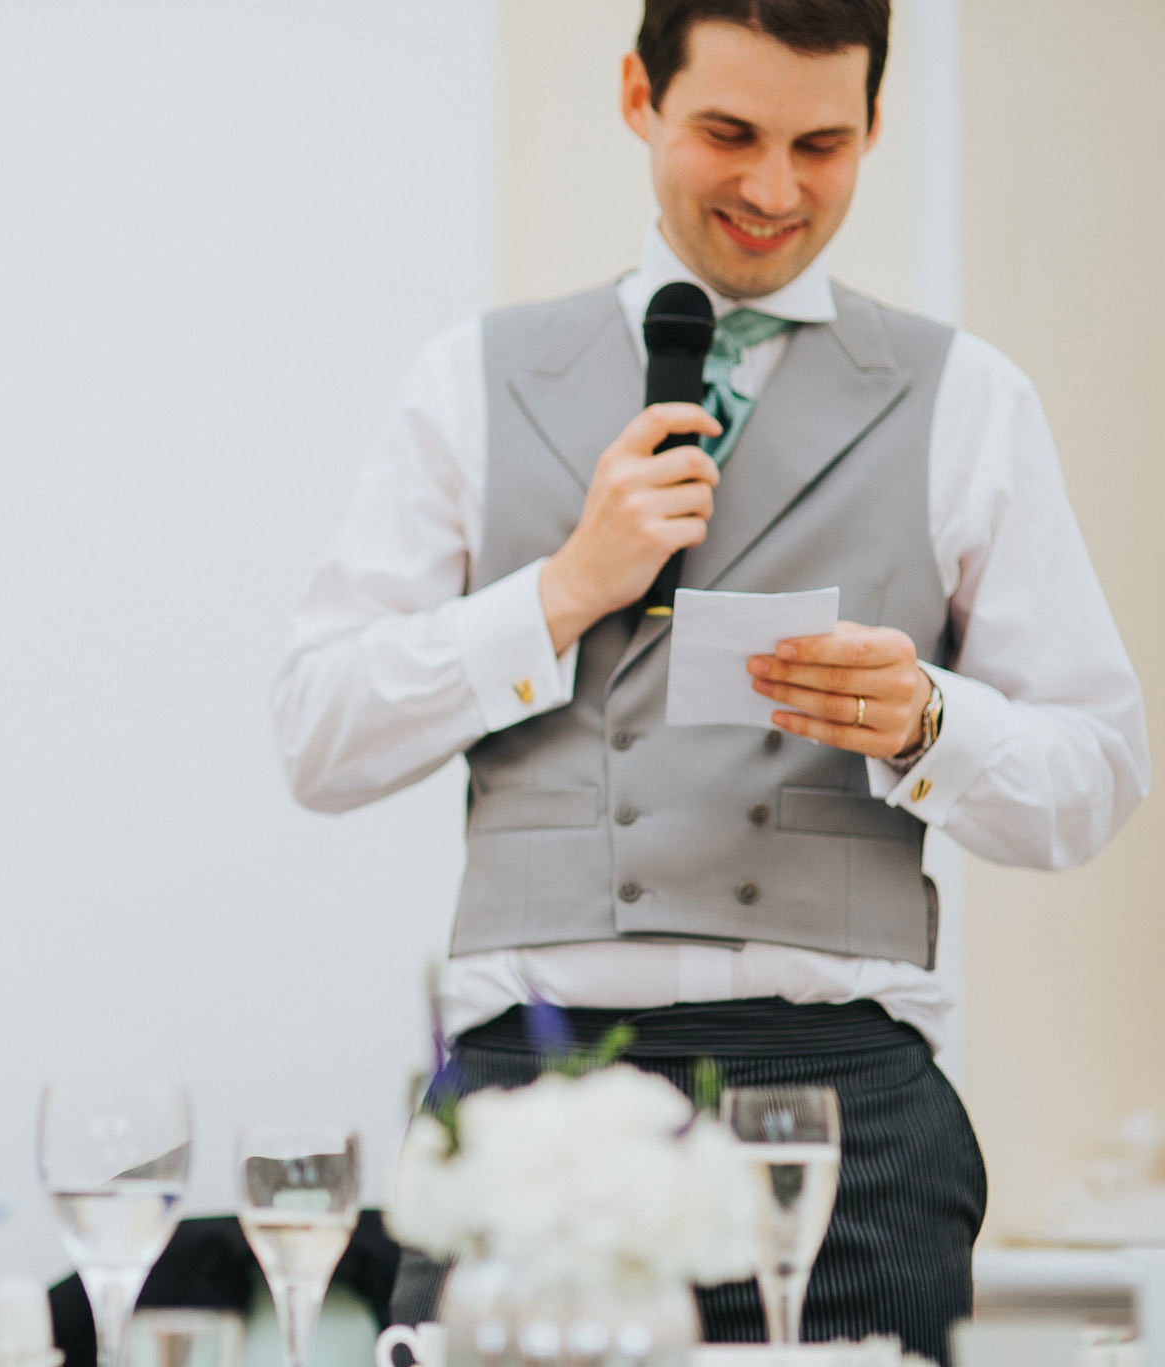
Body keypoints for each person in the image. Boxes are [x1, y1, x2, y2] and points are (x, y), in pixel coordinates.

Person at [272, 0, 1148, 1359]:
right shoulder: (468, 382)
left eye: (824, 143)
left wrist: (931, 720)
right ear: (639, 96)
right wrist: (562, 589)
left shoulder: (972, 399)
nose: (773, 189)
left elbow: (1094, 779)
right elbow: (316, 738)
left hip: (845, 1118)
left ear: (871, 126)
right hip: (531, 1096)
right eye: (729, 132)